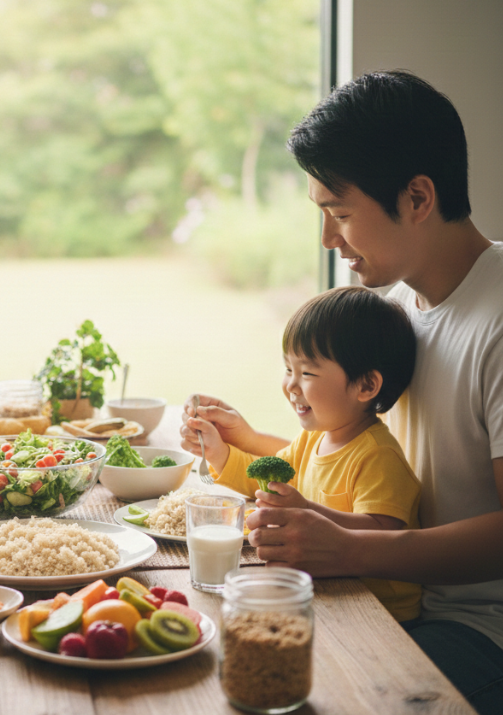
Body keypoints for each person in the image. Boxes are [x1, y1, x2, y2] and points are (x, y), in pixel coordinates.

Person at [181, 70, 503, 713]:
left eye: (340, 214)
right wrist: (250, 443)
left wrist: (352, 545)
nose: (329, 240)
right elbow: (362, 456)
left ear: (417, 197)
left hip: (476, 628)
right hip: (387, 590)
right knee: (218, 648)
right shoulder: (399, 309)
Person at [199, 285, 421, 621]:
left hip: (380, 613)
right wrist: (219, 453)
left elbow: (383, 535)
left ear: (365, 386)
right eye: (289, 369)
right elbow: (265, 480)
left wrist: (305, 511)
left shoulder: (377, 455)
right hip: (329, 593)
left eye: (307, 373)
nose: (291, 385)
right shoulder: (312, 441)